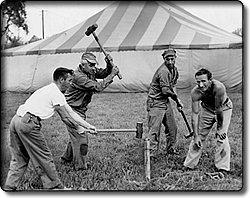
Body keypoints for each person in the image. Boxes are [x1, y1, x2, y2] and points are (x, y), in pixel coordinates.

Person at [4, 67, 96, 191]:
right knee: (44, 157)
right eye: (69, 80)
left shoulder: (50, 90)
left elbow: (71, 113)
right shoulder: (55, 93)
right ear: (61, 79)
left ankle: (9, 188)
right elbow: (65, 117)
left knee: (19, 158)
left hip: (16, 121)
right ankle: (55, 188)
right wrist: (78, 128)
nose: (71, 84)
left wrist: (88, 126)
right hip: (28, 123)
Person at [61, 52, 119, 170]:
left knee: (76, 134)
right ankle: (80, 167)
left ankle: (66, 158)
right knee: (81, 136)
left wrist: (108, 65)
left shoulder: (89, 70)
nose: (94, 68)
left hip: (80, 109)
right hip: (70, 110)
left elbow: (103, 73)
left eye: (94, 65)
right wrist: (113, 74)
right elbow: (98, 87)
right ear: (83, 64)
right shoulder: (78, 76)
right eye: (91, 65)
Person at [183, 68, 233, 173]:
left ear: (210, 80)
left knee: (222, 137)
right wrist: (196, 136)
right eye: (198, 82)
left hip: (224, 108)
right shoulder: (195, 92)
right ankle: (189, 165)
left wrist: (220, 129)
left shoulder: (219, 88)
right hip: (207, 109)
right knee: (199, 137)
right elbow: (195, 114)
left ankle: (222, 167)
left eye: (203, 81)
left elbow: (218, 110)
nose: (201, 85)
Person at [146, 48, 183, 160]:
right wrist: (175, 98)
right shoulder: (163, 71)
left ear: (175, 58)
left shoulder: (174, 70)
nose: (170, 61)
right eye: (168, 59)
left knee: (172, 128)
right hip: (156, 102)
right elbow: (165, 91)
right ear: (164, 59)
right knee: (154, 130)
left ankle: (171, 150)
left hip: (165, 101)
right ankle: (151, 155)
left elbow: (173, 86)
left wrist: (178, 101)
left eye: (172, 58)